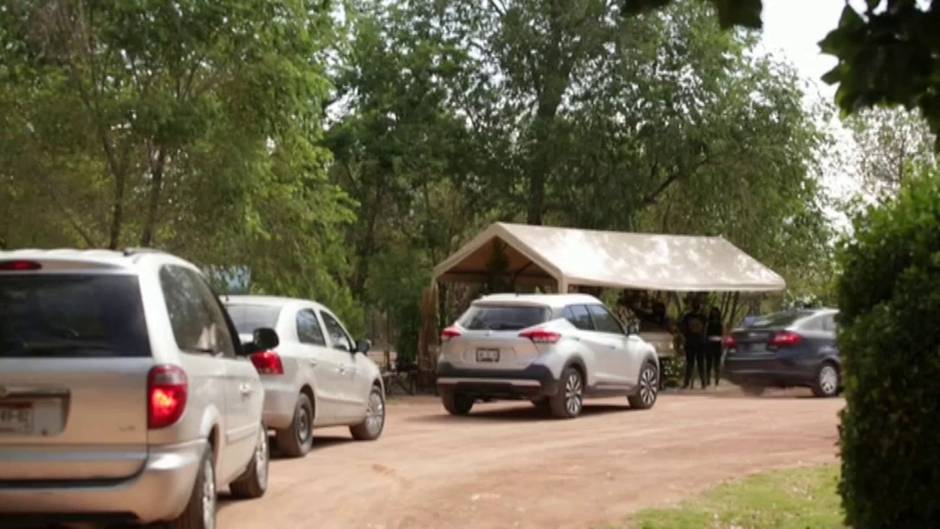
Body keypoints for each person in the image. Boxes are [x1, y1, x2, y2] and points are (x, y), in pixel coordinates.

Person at [680, 299, 708, 389]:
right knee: (690, 364)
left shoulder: (703, 317)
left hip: (699, 342)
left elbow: (706, 329)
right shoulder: (688, 317)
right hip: (691, 342)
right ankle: (687, 382)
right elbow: (683, 328)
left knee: (699, 363)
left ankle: (703, 383)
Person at [705, 306, 724, 386]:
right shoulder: (708, 323)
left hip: (717, 344)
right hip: (710, 344)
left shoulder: (720, 323)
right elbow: (706, 333)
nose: (714, 313)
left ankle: (717, 379)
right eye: (713, 312)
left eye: (715, 312)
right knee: (708, 363)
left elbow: (721, 334)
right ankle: (708, 379)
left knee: (717, 363)